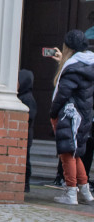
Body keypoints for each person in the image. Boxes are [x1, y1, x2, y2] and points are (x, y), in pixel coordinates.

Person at [48, 30, 94, 205]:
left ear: (68, 47)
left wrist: (53, 113)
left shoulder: (72, 68)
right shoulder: (87, 64)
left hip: (69, 114)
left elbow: (62, 93)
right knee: (75, 154)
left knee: (67, 153)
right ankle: (85, 190)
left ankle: (70, 193)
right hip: (83, 114)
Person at [17, 69, 37, 193]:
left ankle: (25, 183)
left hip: (26, 134)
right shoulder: (19, 96)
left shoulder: (28, 98)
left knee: (25, 159)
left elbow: (30, 116)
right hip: (24, 134)